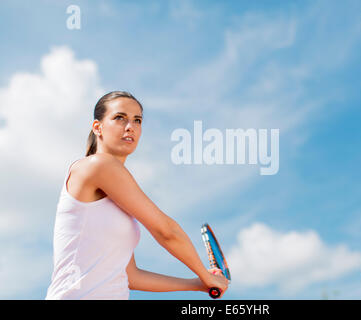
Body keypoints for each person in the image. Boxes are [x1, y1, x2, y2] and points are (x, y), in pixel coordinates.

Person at [45, 91, 229, 299]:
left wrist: (198, 284)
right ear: (98, 127)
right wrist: (206, 275)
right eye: (119, 118)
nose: (130, 126)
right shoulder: (99, 165)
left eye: (137, 120)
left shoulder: (116, 194)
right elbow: (165, 231)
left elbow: (130, 276)